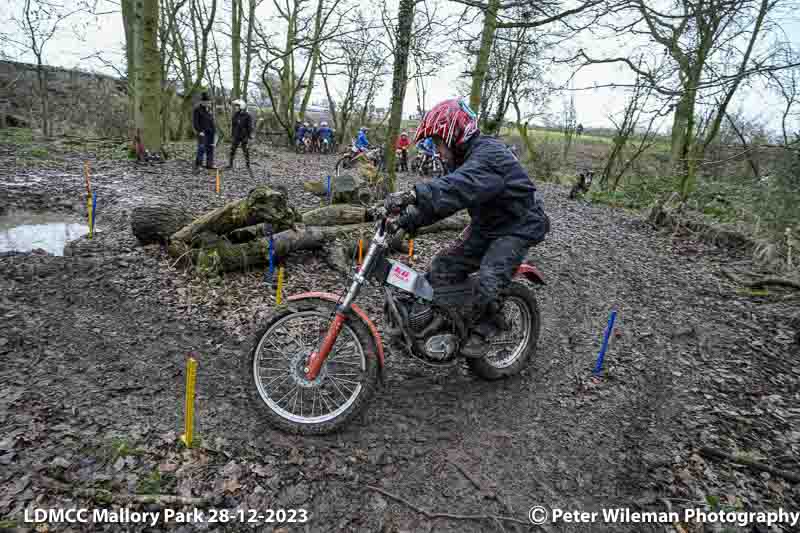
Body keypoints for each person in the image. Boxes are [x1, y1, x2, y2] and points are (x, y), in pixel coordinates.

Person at [383, 97, 550, 358]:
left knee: (489, 278)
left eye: (438, 142)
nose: (436, 150)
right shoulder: (463, 160)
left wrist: (414, 192)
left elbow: (458, 186)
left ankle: (487, 326)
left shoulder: (490, 155)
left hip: (518, 224)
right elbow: (446, 201)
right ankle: (451, 321)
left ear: (454, 134)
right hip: (487, 225)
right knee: (441, 268)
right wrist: (404, 221)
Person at [193, 92, 217, 172]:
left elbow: (212, 122)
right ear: (202, 102)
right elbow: (195, 122)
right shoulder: (197, 110)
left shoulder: (209, 110)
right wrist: (199, 131)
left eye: (209, 102)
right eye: (206, 102)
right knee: (201, 148)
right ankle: (198, 165)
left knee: (210, 148)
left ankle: (209, 165)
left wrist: (214, 131)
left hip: (211, 133)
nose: (208, 103)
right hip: (202, 132)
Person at [227, 99, 253, 169]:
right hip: (236, 135)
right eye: (235, 106)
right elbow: (233, 125)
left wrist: (249, 136)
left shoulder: (247, 115)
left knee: (245, 150)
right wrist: (232, 134)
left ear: (241, 106)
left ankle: (248, 165)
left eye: (237, 106)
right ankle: (230, 164)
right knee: (232, 149)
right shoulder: (235, 115)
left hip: (244, 136)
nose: (235, 107)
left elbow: (249, 127)